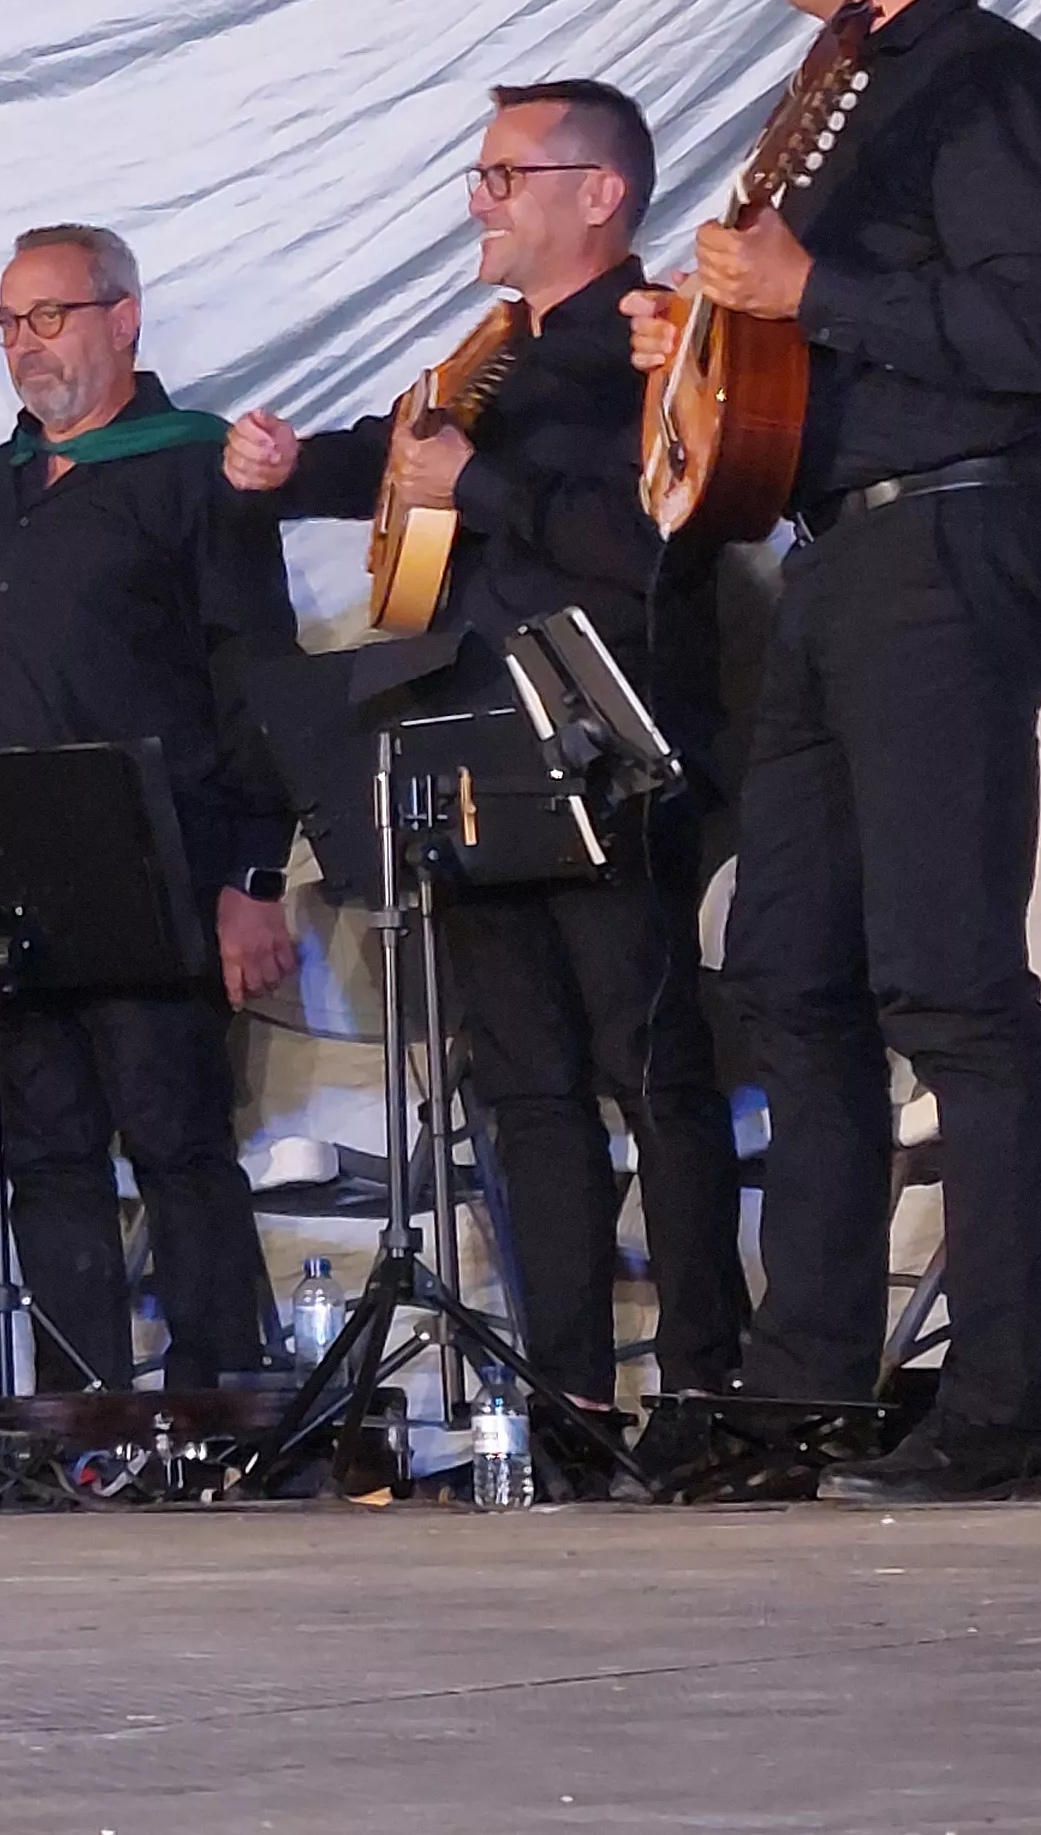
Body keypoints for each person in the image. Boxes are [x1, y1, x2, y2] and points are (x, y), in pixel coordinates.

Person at [626, 0, 1041, 1503]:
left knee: (949, 983)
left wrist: (805, 287)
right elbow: (814, 349)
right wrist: (703, 349)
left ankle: (1005, 1414)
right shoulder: (837, 99)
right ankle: (807, 1387)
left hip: (955, 533)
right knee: (790, 972)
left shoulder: (996, 90)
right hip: (845, 554)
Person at [229, 86, 748, 1434]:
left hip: (612, 754)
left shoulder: (660, 344)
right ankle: (568, 1394)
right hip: (474, 753)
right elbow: (403, 453)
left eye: (505, 175)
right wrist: (292, 468)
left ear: (600, 194)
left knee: (652, 1072)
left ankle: (705, 1385)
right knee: (524, 1088)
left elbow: (654, 543)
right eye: (479, 175)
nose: (480, 200)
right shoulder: (491, 358)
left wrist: (479, 488)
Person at [0, 224, 293, 1392]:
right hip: (6, 877)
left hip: (159, 864)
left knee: (177, 1143)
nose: (24, 344)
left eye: (50, 315)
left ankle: (217, 1408)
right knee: (44, 1156)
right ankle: (75, 1420)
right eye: (8, 322)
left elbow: (255, 678)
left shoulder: (199, 470)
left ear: (123, 318)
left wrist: (253, 877)